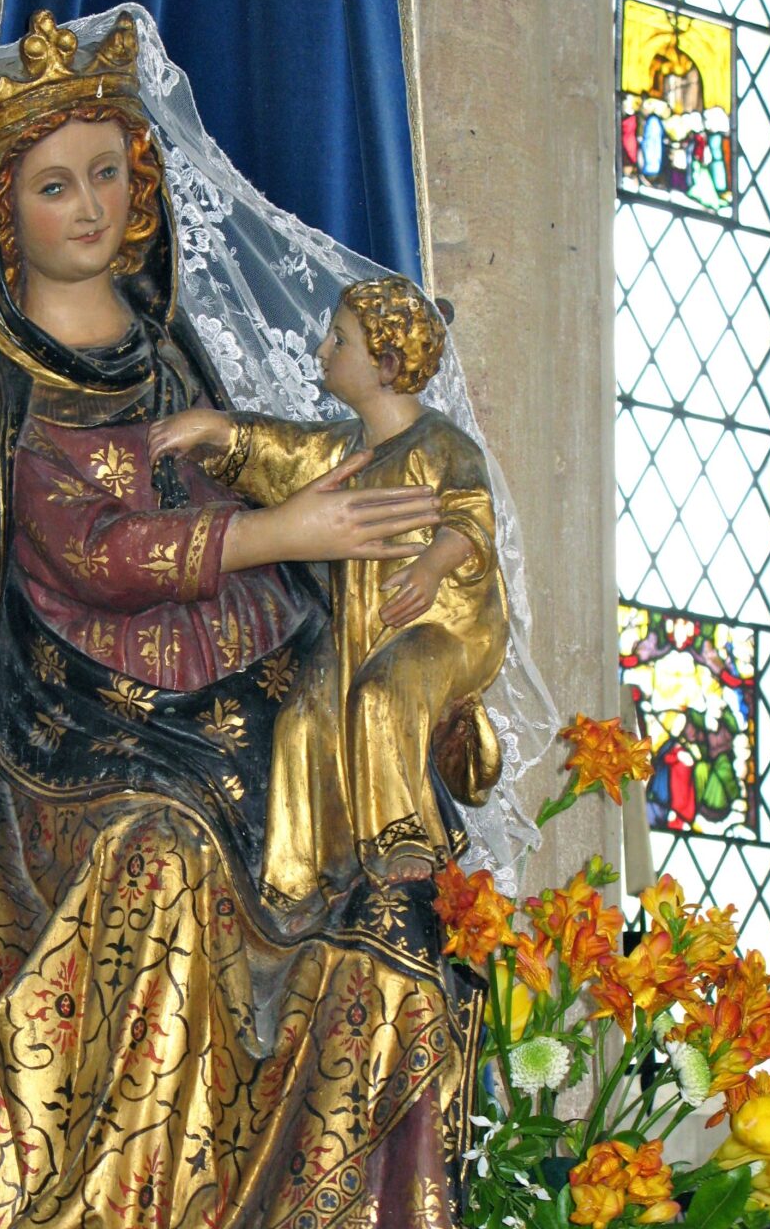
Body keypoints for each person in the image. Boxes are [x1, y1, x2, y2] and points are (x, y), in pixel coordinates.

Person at [0, 8, 488, 1229]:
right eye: (56, 184)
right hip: (81, 739)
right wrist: (289, 530)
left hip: (231, 696)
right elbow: (91, 554)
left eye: (110, 172)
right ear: (5, 213)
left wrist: (368, 520)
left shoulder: (168, 352)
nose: (92, 204)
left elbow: (252, 473)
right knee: (159, 862)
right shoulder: (16, 389)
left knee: (382, 879)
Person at [149, 275, 509, 928]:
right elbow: (283, 452)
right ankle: (294, 883)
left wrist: (430, 567)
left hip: (441, 631)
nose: (321, 349)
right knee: (301, 723)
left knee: (380, 700)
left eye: (339, 339)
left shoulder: (442, 446)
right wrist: (216, 431)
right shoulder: (342, 449)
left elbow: (472, 520)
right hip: (358, 631)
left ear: (387, 365)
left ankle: (404, 840)